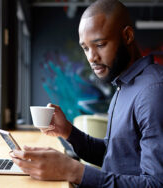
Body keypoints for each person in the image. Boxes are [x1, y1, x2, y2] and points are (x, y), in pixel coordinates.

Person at [10, 0, 163, 187]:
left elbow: (156, 184)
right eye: (86, 48)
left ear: (128, 36)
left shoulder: (152, 92)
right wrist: (68, 132)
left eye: (100, 44)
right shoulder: (124, 85)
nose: (91, 57)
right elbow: (114, 155)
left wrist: (72, 170)